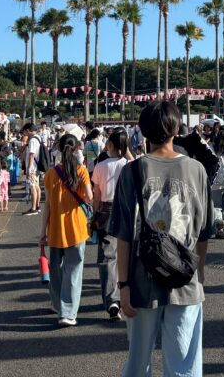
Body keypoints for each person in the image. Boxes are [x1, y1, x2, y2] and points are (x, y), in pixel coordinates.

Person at [108, 100, 213, 377]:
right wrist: (199, 274)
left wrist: (123, 285)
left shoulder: (132, 171)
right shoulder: (197, 170)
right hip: (186, 279)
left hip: (141, 281)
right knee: (184, 366)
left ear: (143, 132)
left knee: (137, 361)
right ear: (176, 129)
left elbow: (124, 236)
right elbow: (203, 232)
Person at [40, 134, 92, 326]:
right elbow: (89, 196)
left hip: (55, 229)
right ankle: (68, 313)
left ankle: (57, 304)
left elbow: (47, 206)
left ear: (60, 149)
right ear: (77, 149)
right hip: (77, 229)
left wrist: (42, 232)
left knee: (56, 271)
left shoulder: (51, 174)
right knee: (73, 271)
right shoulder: (82, 171)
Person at [92, 128, 129, 320]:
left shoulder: (101, 166)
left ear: (110, 145)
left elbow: (97, 196)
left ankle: (112, 300)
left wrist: (94, 215)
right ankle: (127, 296)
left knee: (107, 257)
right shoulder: (129, 165)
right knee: (128, 254)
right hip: (126, 211)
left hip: (106, 212)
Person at [21, 122, 43, 215]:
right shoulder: (38, 137)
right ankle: (37, 206)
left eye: (24, 132)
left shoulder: (33, 140)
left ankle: (33, 208)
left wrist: (29, 168)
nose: (24, 134)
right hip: (37, 166)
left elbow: (32, 155)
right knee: (37, 186)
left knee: (32, 186)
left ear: (28, 130)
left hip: (33, 167)